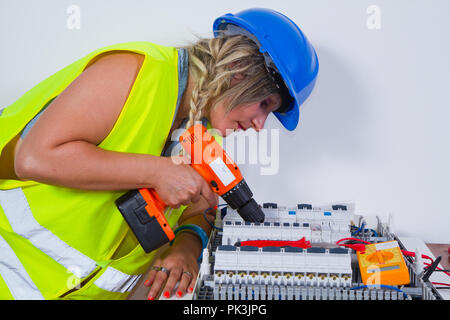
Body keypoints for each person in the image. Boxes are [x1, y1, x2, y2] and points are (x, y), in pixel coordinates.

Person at [0, 8, 318, 300]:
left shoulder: (203, 135)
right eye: (264, 104)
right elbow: (35, 158)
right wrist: (158, 171)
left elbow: (201, 207)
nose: (260, 125)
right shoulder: (136, 72)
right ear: (238, 68)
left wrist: (186, 244)